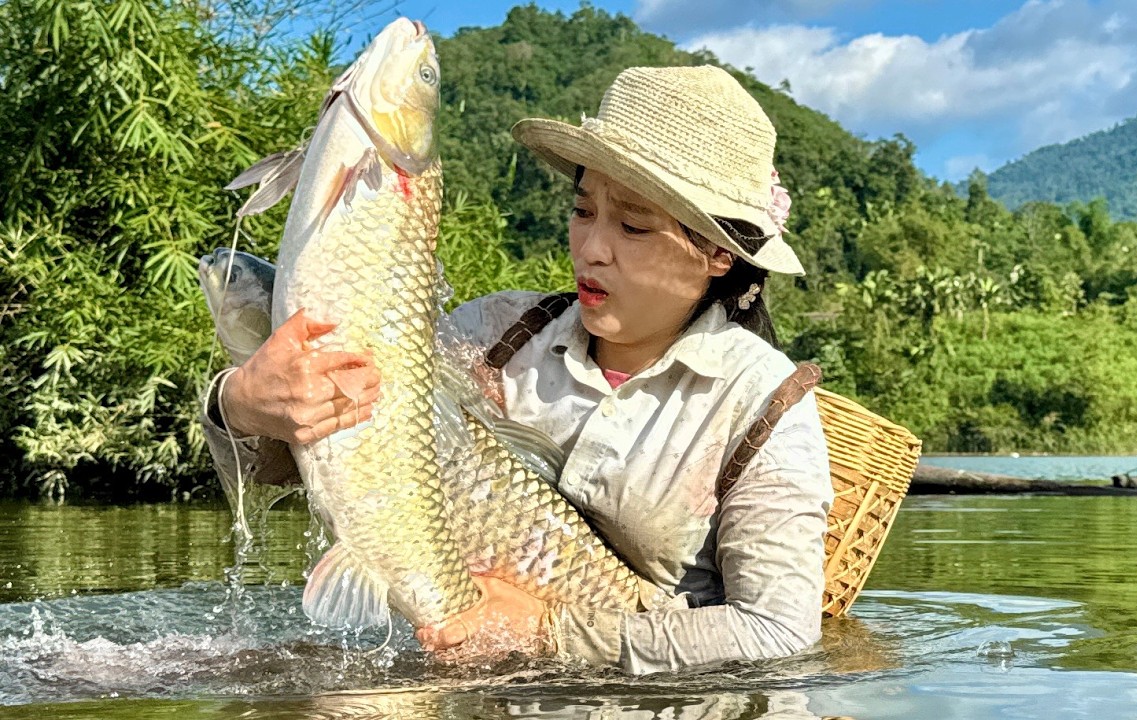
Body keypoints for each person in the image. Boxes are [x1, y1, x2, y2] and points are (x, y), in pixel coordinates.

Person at [202, 65, 832, 675]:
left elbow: (776, 632)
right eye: (583, 211)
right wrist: (240, 407)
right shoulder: (493, 334)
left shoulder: (763, 404)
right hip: (442, 663)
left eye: (633, 224)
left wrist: (548, 633)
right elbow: (328, 465)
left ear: (719, 253)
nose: (591, 248)